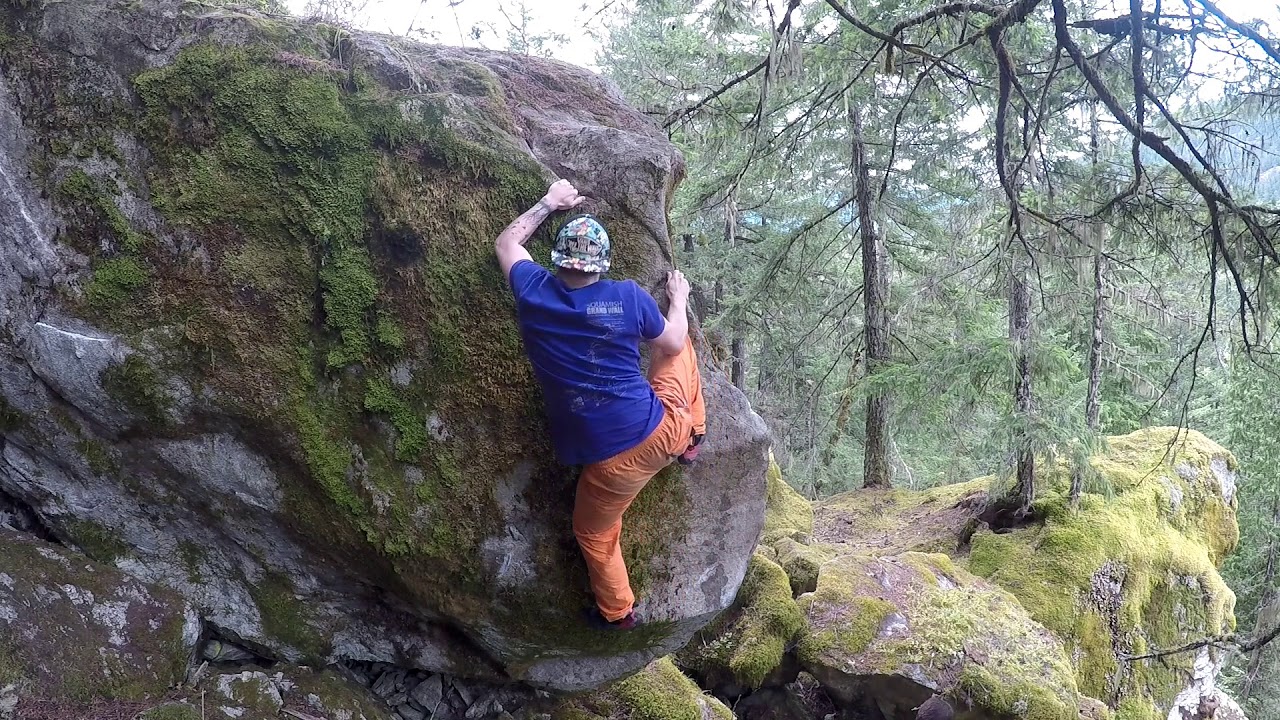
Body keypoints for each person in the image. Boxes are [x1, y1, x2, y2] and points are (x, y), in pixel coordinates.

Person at [495, 179, 707, 630]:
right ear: (603, 264)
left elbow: (508, 243)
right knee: (677, 349)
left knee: (593, 532)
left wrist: (549, 203)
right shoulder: (627, 296)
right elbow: (672, 340)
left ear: (557, 260)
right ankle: (694, 437)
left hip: (612, 465)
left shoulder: (532, 291)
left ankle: (618, 613)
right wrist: (679, 300)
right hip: (664, 426)